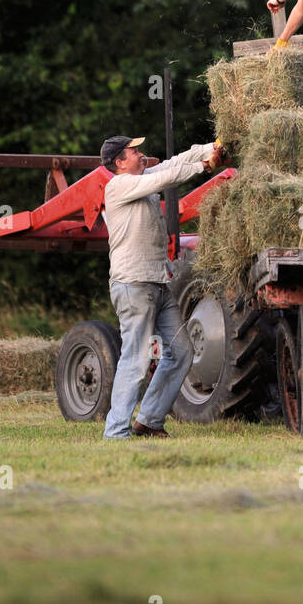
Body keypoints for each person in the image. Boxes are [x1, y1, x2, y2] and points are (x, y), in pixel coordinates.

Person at [100, 133, 223, 440]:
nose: (142, 154)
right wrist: (204, 167)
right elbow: (167, 177)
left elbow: (174, 163)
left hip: (158, 282)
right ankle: (115, 432)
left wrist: (213, 148)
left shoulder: (142, 177)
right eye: (134, 151)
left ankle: (149, 420)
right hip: (134, 285)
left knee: (181, 352)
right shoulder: (119, 186)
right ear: (119, 162)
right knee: (136, 359)